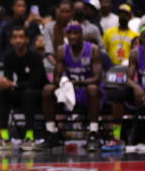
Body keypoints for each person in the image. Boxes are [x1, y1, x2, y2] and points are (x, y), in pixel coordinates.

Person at [41, 22, 105, 152]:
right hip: (71, 90)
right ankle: (51, 132)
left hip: (89, 90)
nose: (72, 36)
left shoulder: (93, 50)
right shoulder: (61, 50)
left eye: (75, 33)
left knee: (92, 88)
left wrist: (77, 83)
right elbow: (56, 78)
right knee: (47, 90)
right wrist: (64, 82)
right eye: (69, 33)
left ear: (82, 35)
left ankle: (93, 133)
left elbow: (97, 78)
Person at [0, 26, 47, 152]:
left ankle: (29, 137)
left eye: (21, 37)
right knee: (2, 94)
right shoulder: (9, 57)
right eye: (15, 37)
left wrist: (13, 85)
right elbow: (8, 79)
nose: (18, 40)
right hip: (21, 92)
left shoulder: (35, 56)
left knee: (28, 93)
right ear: (11, 41)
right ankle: (4, 137)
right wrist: (4, 83)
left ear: (26, 40)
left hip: (38, 94)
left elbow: (36, 82)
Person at [43, 0, 73, 67]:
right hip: (53, 64)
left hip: (72, 65)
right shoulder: (49, 27)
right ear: (57, 11)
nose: (64, 14)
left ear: (72, 12)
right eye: (62, 11)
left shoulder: (76, 27)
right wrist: (58, 66)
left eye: (67, 12)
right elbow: (48, 52)